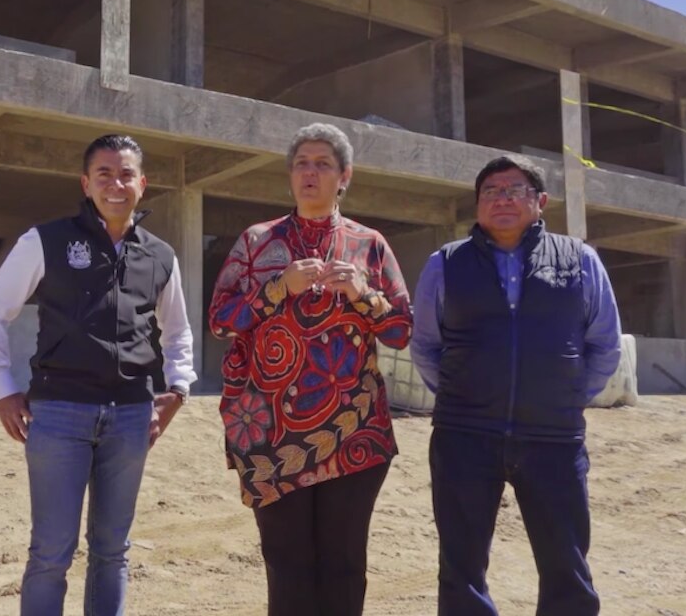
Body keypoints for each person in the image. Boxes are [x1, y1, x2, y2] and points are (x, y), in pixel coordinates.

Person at [0, 134, 196, 616]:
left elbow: (177, 330)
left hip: (132, 418)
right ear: (86, 182)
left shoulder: (160, 255)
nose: (116, 184)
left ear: (143, 183)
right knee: (51, 552)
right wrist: (2, 390)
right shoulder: (47, 240)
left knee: (113, 550)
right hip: (58, 413)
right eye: (104, 174)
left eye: (126, 175)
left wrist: (177, 389)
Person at [208, 123, 413, 616]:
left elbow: (401, 330)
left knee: (344, 568)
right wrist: (278, 287)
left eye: (323, 164)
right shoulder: (257, 242)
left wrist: (364, 295)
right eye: (301, 163)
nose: (310, 172)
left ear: (344, 176)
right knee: (287, 566)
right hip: (271, 435)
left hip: (354, 434)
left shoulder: (370, 245)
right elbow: (219, 319)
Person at [410, 155, 622, 616]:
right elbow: (425, 346)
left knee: (566, 566)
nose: (501, 199)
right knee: (461, 568)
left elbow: (603, 346)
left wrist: (562, 399)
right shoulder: (445, 264)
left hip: (553, 439)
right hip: (465, 436)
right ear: (477, 205)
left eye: (514, 190)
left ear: (540, 201)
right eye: (490, 191)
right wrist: (462, 395)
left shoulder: (579, 260)